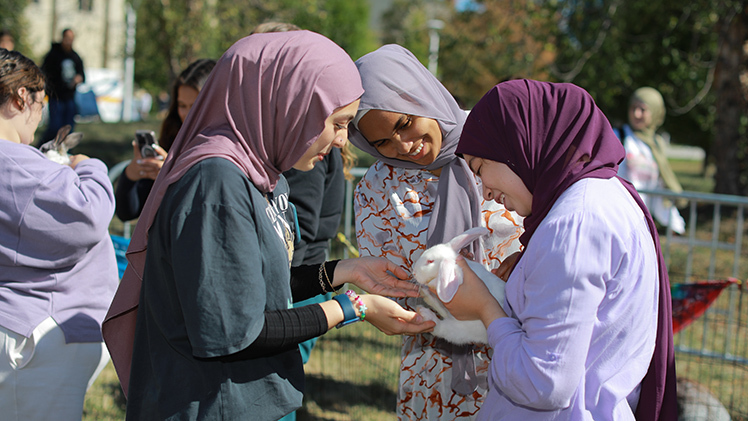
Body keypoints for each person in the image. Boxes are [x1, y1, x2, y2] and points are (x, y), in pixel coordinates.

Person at [101, 31, 435, 420]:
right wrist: (353, 307)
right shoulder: (217, 184)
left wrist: (345, 271)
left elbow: (250, 289)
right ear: (292, 105)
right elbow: (234, 331)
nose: (343, 141)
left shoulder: (263, 176)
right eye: (338, 123)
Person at [442, 78, 677, 420]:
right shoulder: (603, 196)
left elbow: (543, 383)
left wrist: (485, 307)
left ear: (518, 143)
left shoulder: (575, 223)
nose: (486, 191)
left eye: (481, 168)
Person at [348, 44, 524, 420]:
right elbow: (391, 282)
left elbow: (551, 221)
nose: (403, 146)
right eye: (381, 142)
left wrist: (528, 259)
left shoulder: (499, 139)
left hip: (525, 355)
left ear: (421, 92)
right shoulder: (379, 188)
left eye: (404, 123)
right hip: (436, 371)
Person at [0, 49, 118, 420]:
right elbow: (86, 217)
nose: (41, 113)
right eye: (42, 100)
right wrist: (88, 168)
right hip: (34, 337)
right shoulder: (18, 164)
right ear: (22, 96)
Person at [114, 58, 216, 222]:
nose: (188, 115)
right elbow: (128, 212)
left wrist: (172, 177)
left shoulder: (227, 148)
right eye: (182, 105)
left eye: (196, 105)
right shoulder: (173, 138)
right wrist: (132, 174)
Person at [616, 86, 686, 234]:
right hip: (618, 216)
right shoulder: (618, 136)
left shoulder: (657, 144)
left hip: (641, 222)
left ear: (654, 112)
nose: (636, 114)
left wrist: (675, 223)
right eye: (633, 108)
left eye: (642, 109)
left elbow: (658, 186)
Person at [41, 28, 85, 141]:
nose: (69, 41)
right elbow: (44, 72)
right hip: (56, 96)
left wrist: (78, 78)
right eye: (67, 38)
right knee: (55, 126)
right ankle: (44, 147)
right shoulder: (53, 55)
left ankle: (64, 151)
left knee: (68, 128)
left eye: (71, 38)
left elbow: (82, 75)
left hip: (69, 97)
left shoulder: (75, 57)